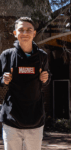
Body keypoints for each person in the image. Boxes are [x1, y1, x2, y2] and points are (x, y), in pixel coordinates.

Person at [0, 17, 51, 150]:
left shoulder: (42, 56)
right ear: (15, 33)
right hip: (11, 120)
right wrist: (3, 80)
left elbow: (45, 81)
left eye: (29, 30)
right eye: (21, 30)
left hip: (35, 120)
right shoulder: (7, 55)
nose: (25, 33)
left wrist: (45, 79)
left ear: (34, 33)